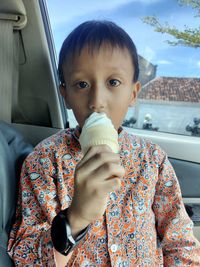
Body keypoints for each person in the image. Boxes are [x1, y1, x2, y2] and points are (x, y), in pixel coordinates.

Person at [7, 20, 200, 266]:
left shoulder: (153, 160)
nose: (97, 101)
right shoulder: (43, 162)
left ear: (133, 93)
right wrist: (75, 218)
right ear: (65, 95)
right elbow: (25, 256)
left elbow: (180, 243)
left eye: (113, 82)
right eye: (82, 84)